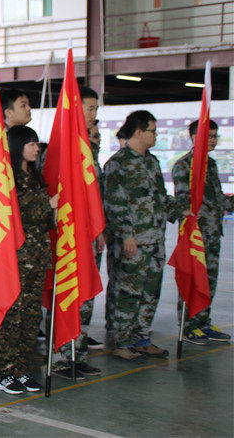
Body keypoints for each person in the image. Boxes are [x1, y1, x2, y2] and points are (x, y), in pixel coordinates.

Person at [103, 111, 185, 361]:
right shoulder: (117, 164)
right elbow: (114, 203)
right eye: (153, 131)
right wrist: (127, 235)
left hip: (155, 239)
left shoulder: (152, 162)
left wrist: (181, 210)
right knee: (128, 291)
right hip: (132, 242)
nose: (156, 135)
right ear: (139, 132)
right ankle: (122, 341)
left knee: (150, 291)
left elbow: (159, 197)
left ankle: (142, 338)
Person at [0, 126, 54, 395]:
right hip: (16, 259)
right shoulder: (9, 178)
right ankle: (4, 372)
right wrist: (48, 204)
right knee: (12, 317)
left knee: (31, 317)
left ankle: (22, 369)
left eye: (36, 144)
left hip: (37, 258)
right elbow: (14, 212)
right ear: (18, 146)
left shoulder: (35, 178)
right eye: (31, 144)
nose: (36, 148)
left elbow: (45, 217)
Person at [52, 87, 105, 376]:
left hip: (87, 233)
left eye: (96, 109)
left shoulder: (88, 147)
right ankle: (62, 356)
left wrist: (98, 229)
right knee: (67, 292)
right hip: (68, 234)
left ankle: (78, 352)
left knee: (84, 295)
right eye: (90, 108)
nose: (94, 114)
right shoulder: (63, 145)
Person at [172, 119, 234, 344]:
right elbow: (182, 203)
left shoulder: (212, 164)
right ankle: (188, 325)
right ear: (194, 137)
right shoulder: (184, 166)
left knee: (209, 281)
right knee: (193, 278)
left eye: (215, 136)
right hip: (195, 235)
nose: (213, 140)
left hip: (213, 232)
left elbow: (218, 199)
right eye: (209, 136)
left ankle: (203, 321)